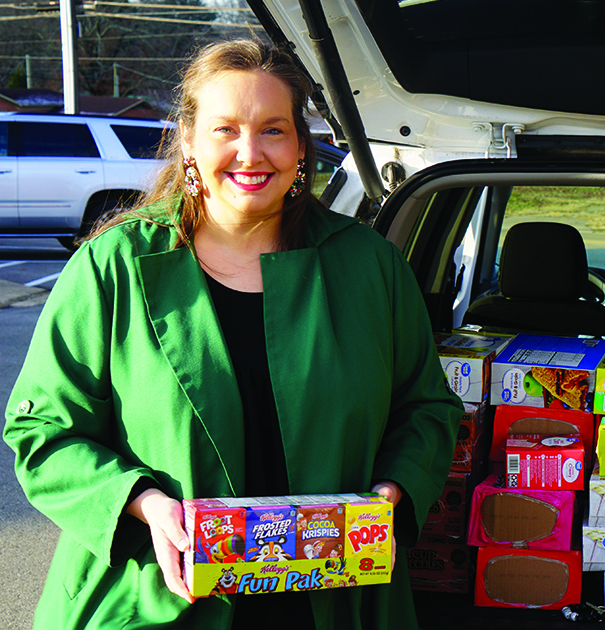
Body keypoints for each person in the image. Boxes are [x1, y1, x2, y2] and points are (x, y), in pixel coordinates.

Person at [3, 40, 463, 629]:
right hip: (159, 594)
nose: (251, 153)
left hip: (334, 594)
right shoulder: (111, 266)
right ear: (189, 141)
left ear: (300, 146)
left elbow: (425, 407)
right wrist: (144, 504)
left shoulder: (369, 265)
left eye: (273, 129)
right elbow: (43, 430)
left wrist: (392, 491)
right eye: (226, 129)